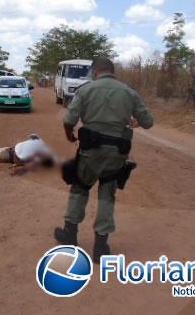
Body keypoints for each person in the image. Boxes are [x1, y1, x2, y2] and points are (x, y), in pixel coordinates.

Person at [54, 57, 154, 262]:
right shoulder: (129, 92)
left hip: (90, 153)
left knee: (80, 188)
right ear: (111, 71)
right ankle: (100, 247)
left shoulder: (86, 90)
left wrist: (69, 136)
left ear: (96, 71)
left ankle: (70, 235)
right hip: (117, 154)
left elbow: (68, 120)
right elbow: (148, 122)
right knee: (107, 194)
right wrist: (133, 123)